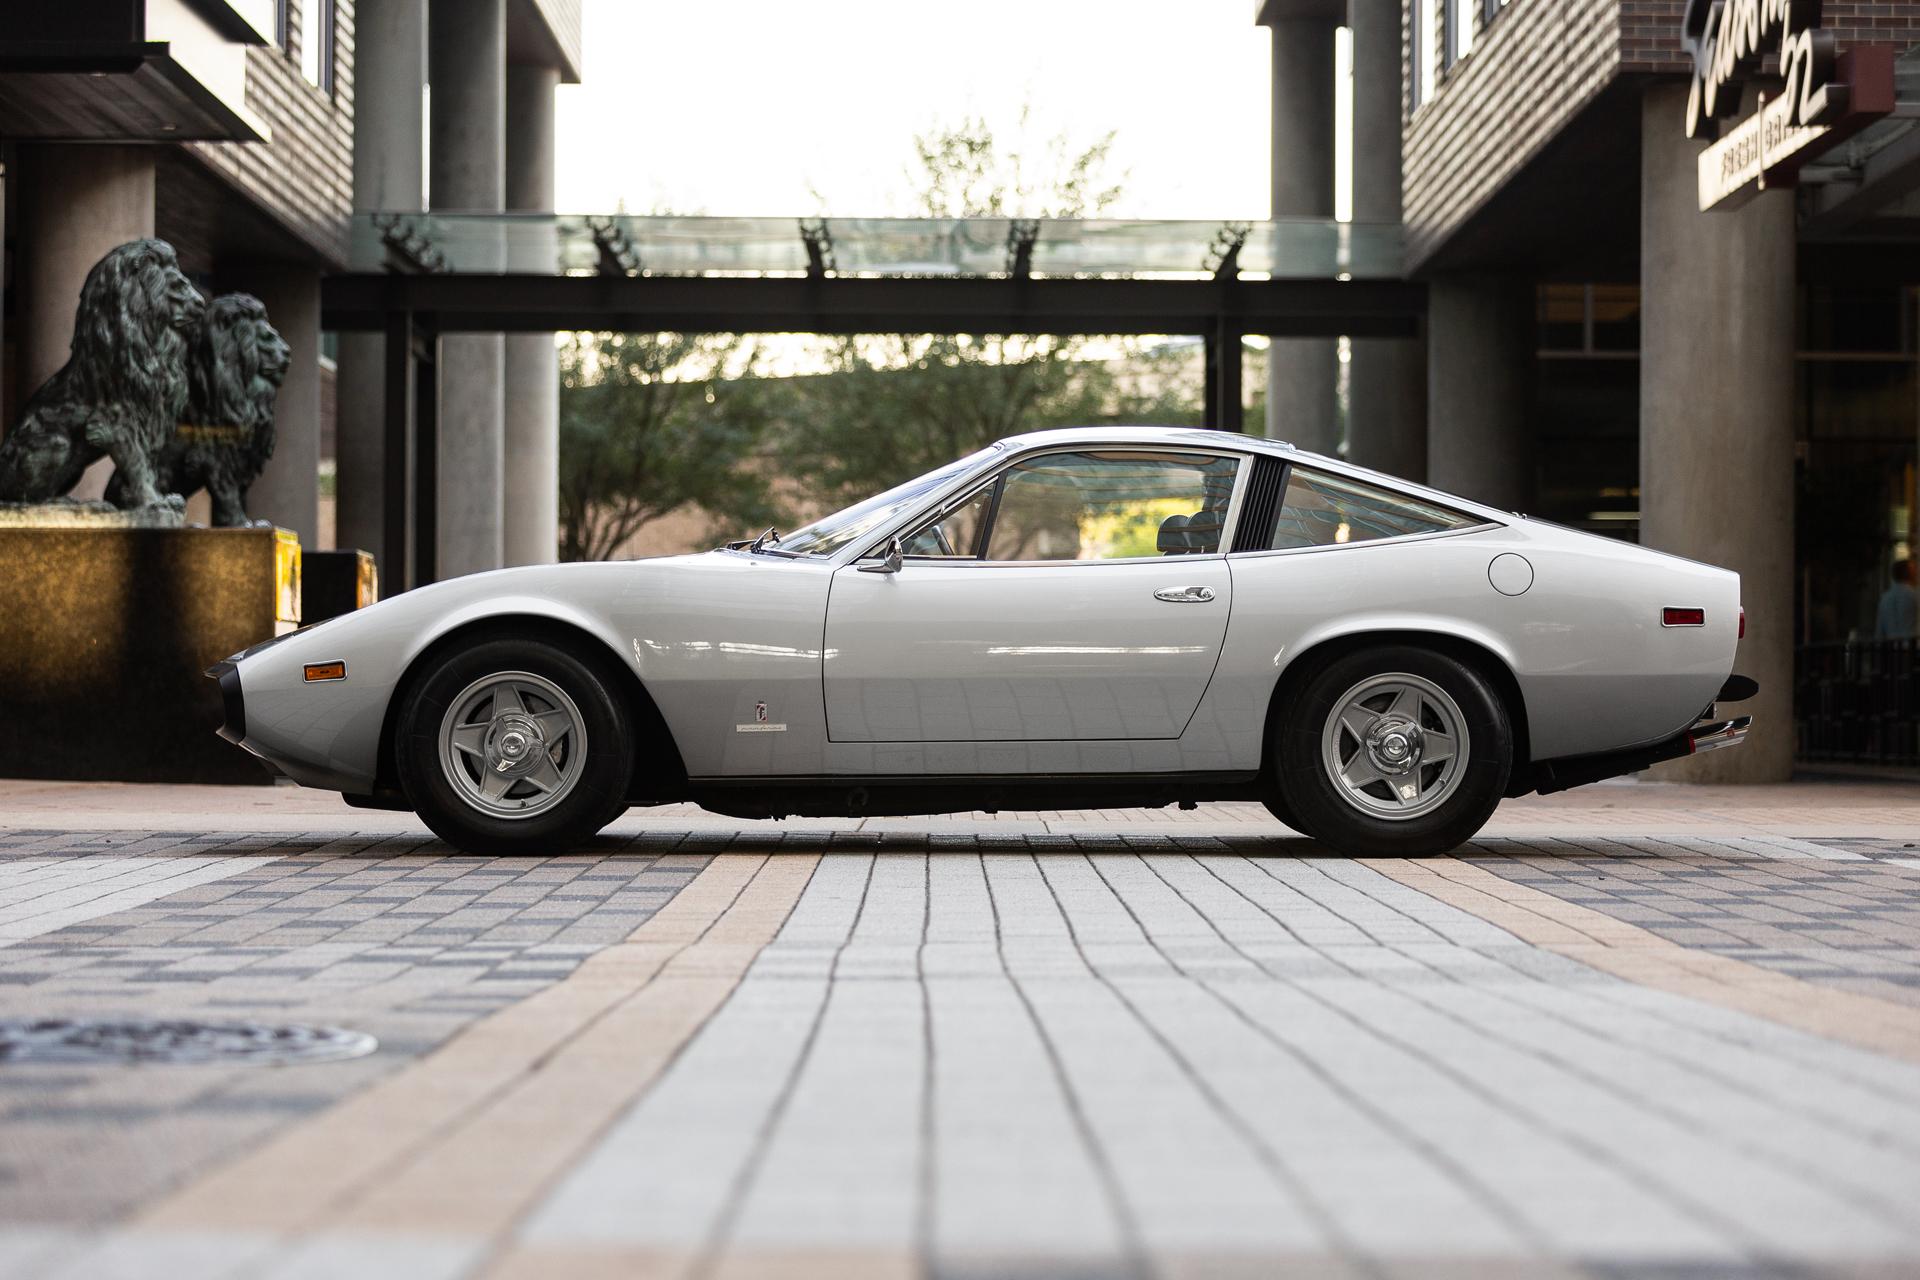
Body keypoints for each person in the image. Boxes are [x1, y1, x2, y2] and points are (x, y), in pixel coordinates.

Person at [1876, 558, 1917, 640]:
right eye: (1914, 570)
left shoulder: (1885, 598)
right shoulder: (1915, 596)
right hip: (1914, 648)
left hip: (1891, 648)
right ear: (1909, 573)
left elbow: (1879, 630)